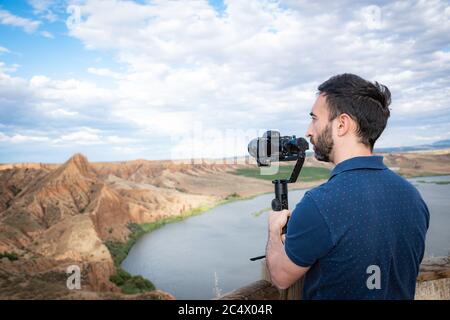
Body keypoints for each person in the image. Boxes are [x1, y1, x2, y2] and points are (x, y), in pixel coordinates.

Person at [265, 73, 429, 299]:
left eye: (314, 118)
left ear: (342, 124)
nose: (308, 131)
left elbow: (281, 277)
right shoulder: (413, 196)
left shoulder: (320, 204)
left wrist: (274, 232)